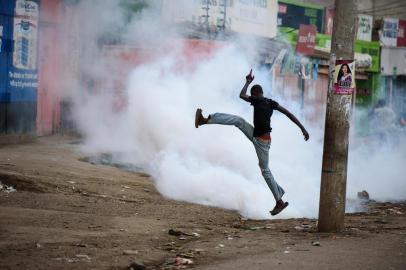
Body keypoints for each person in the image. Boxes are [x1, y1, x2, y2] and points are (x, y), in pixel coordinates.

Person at [194, 69, 309, 216]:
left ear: (255, 95)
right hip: (258, 136)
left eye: (252, 97)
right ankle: (205, 120)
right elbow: (289, 114)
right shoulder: (270, 102)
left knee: (265, 171)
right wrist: (303, 128)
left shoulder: (257, 100)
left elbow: (242, 95)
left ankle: (279, 201)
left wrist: (247, 82)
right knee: (239, 121)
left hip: (262, 143)